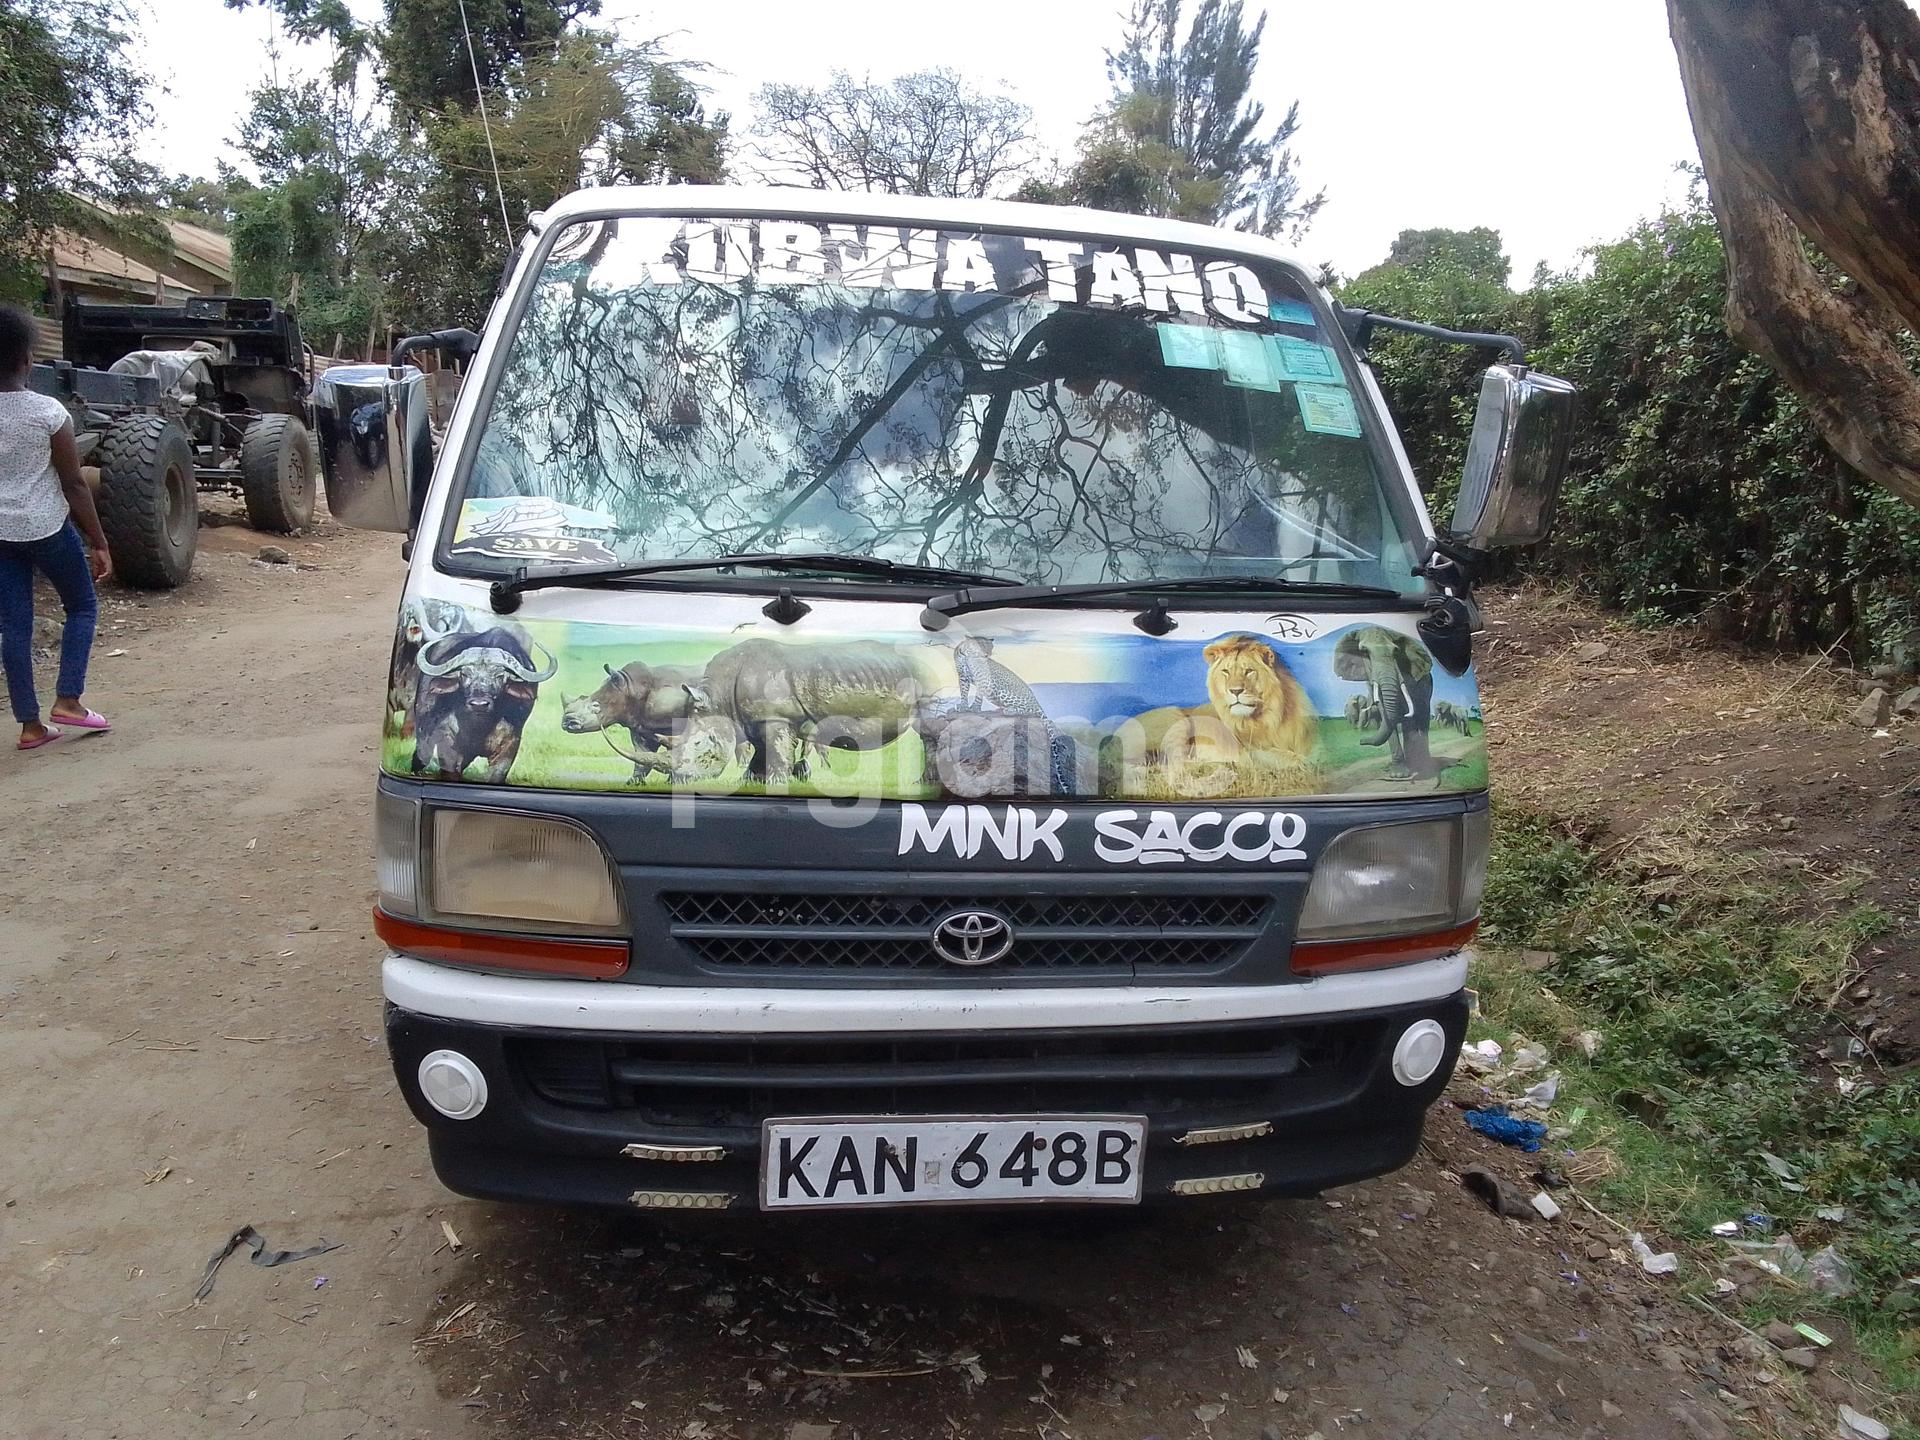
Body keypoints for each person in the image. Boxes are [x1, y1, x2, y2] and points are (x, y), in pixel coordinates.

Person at [0, 305, 114, 751]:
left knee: (14, 626)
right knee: (81, 607)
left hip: (2, 534)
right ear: (26, 359)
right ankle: (68, 700)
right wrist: (99, 542)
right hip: (47, 527)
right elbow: (73, 483)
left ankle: (30, 727)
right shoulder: (48, 412)